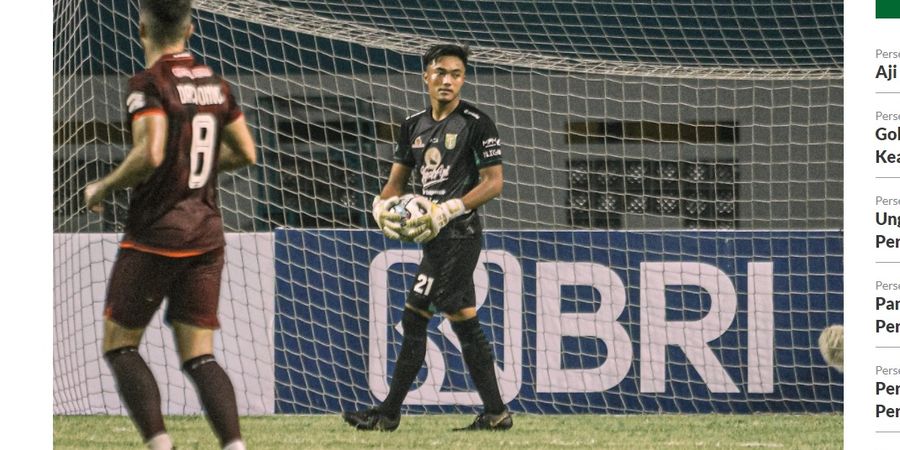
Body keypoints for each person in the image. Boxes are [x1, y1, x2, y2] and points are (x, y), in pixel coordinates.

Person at [83, 1, 256, 449]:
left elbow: (152, 151)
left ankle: (161, 445)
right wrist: (194, 169)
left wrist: (102, 187)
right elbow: (246, 153)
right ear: (191, 28)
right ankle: (235, 447)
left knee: (120, 347)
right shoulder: (216, 84)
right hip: (206, 233)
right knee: (199, 356)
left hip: (156, 235)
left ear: (141, 28)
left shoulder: (148, 83)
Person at [343, 43, 511, 432]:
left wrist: (450, 208)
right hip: (433, 238)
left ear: (463, 79)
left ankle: (387, 413)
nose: (447, 80)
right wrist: (380, 208)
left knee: (415, 315)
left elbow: (494, 182)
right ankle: (496, 412)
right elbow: (395, 185)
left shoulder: (477, 123)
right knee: (462, 317)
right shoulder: (412, 126)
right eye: (440, 72)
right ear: (426, 76)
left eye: (455, 73)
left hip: (460, 234)